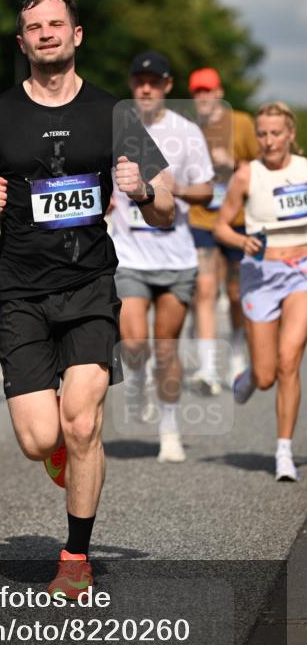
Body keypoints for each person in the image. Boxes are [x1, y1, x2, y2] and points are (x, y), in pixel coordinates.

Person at [0, 0, 174, 598]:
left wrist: (145, 190)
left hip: (89, 285)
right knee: (39, 439)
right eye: (34, 27)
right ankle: (60, 458)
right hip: (20, 289)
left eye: (57, 24)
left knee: (82, 427)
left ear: (76, 35)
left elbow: (168, 207)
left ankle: (75, 553)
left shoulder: (114, 114)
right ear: (20, 42)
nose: (46, 34)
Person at [111, 53, 214, 463]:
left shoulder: (187, 133)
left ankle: (169, 428)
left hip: (175, 258)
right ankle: (137, 374)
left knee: (166, 347)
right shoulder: (117, 128)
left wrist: (174, 190)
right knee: (135, 342)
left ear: (168, 86)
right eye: (139, 81)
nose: (146, 88)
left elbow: (207, 189)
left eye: (154, 81)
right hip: (129, 256)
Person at [214, 101, 307, 482]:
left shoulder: (305, 170)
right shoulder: (246, 176)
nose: (269, 141)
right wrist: (240, 240)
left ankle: (283, 452)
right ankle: (251, 376)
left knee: (290, 361)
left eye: (276, 133)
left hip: (301, 272)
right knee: (268, 374)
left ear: (290, 135)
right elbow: (221, 225)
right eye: (263, 134)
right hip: (261, 274)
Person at [188, 68, 258, 391]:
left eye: (208, 91)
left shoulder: (241, 123)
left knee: (235, 293)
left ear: (219, 93)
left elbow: (262, 167)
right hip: (201, 219)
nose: (203, 97)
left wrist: (233, 164)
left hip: (238, 219)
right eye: (197, 92)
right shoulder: (188, 129)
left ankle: (237, 354)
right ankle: (206, 367)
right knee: (204, 289)